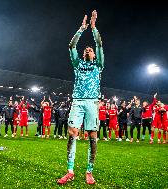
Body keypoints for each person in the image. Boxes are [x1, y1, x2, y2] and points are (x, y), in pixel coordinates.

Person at [58, 10, 104, 185]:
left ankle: (89, 171)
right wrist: (81, 29)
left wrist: (93, 28)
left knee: (92, 135)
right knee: (72, 133)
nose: (89, 49)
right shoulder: (78, 64)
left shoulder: (98, 65)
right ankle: (70, 171)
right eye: (87, 49)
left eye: (90, 50)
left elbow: (99, 44)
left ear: (93, 55)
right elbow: (71, 46)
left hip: (92, 101)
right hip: (77, 101)